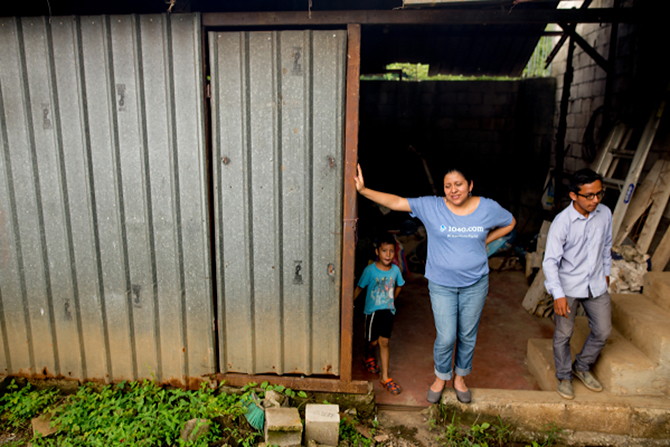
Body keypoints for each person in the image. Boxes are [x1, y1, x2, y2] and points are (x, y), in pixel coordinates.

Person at [354, 163, 516, 404]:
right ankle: (441, 377)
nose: (453, 190)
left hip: (475, 283)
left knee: (467, 335)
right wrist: (364, 190)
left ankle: (460, 378)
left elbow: (510, 222)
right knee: (447, 336)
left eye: (458, 184)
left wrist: (486, 241)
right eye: (448, 186)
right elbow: (397, 202)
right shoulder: (432, 206)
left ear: (470, 185)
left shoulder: (487, 207)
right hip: (442, 284)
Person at [542, 168, 612, 400]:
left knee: (603, 331)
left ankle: (581, 366)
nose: (595, 200)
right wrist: (558, 294)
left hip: (596, 284)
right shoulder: (562, 223)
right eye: (589, 195)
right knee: (564, 334)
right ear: (574, 195)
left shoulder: (605, 214)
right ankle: (564, 376)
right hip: (568, 287)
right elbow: (550, 261)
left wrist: (606, 273)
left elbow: (606, 246)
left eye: (599, 194)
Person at [354, 233, 406, 395]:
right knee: (373, 342)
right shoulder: (370, 271)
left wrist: (392, 300)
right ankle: (368, 355)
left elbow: (400, 285)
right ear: (377, 252)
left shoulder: (396, 270)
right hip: (372, 312)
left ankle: (385, 377)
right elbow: (360, 287)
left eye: (391, 251)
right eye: (384, 251)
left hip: (388, 311)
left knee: (384, 342)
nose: (388, 255)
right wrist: (350, 303)